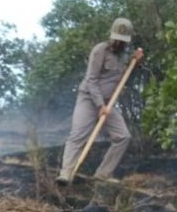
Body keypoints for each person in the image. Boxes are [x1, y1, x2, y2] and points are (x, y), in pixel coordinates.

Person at [55, 17, 144, 186]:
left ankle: (102, 175)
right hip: (89, 99)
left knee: (123, 136)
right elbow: (91, 80)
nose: (120, 43)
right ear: (112, 36)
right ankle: (66, 173)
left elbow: (124, 76)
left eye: (123, 41)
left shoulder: (125, 56)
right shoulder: (100, 50)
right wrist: (99, 105)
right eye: (118, 40)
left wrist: (135, 62)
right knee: (78, 136)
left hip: (108, 103)